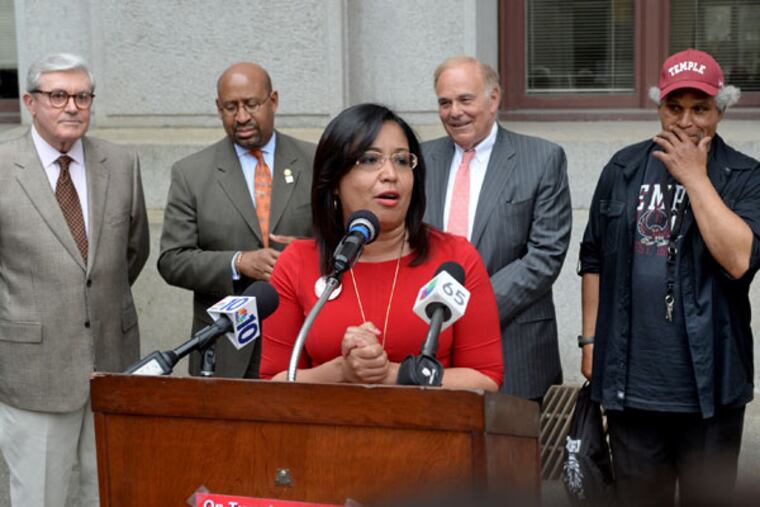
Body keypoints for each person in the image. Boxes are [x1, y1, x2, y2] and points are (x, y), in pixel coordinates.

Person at [578, 48, 760, 505]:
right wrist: (589, 344)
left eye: (700, 109)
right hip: (631, 386)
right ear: (659, 108)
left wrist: (694, 177)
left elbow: (740, 259)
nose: (686, 121)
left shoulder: (744, 176)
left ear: (720, 111)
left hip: (712, 387)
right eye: (674, 108)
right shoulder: (622, 169)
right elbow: (593, 257)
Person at [260, 103, 502, 390]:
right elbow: (274, 382)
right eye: (369, 160)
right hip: (328, 432)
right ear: (334, 180)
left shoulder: (455, 259)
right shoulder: (297, 263)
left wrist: (393, 374)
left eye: (401, 160)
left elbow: (486, 379)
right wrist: (341, 371)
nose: (390, 173)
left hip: (434, 432)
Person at [0, 53, 150, 506]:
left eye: (82, 96)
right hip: (34, 369)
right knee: (38, 495)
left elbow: (132, 252)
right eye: (58, 95)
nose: (72, 106)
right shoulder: (3, 166)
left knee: (110, 491)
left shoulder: (120, 163)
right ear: (30, 101)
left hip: (111, 360)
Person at [422, 56, 571, 401]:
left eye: (464, 99)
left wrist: (469, 306)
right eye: (445, 103)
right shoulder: (419, 161)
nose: (454, 112)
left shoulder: (541, 158)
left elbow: (545, 256)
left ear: (493, 99)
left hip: (515, 346)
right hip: (431, 344)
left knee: (515, 454)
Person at [158, 62, 315, 378]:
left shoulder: (316, 162)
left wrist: (310, 252)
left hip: (303, 340)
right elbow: (172, 260)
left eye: (251, 104)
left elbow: (344, 243)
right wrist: (238, 262)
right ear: (218, 109)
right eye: (231, 107)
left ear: (273, 101)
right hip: (225, 348)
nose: (241, 117)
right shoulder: (191, 173)